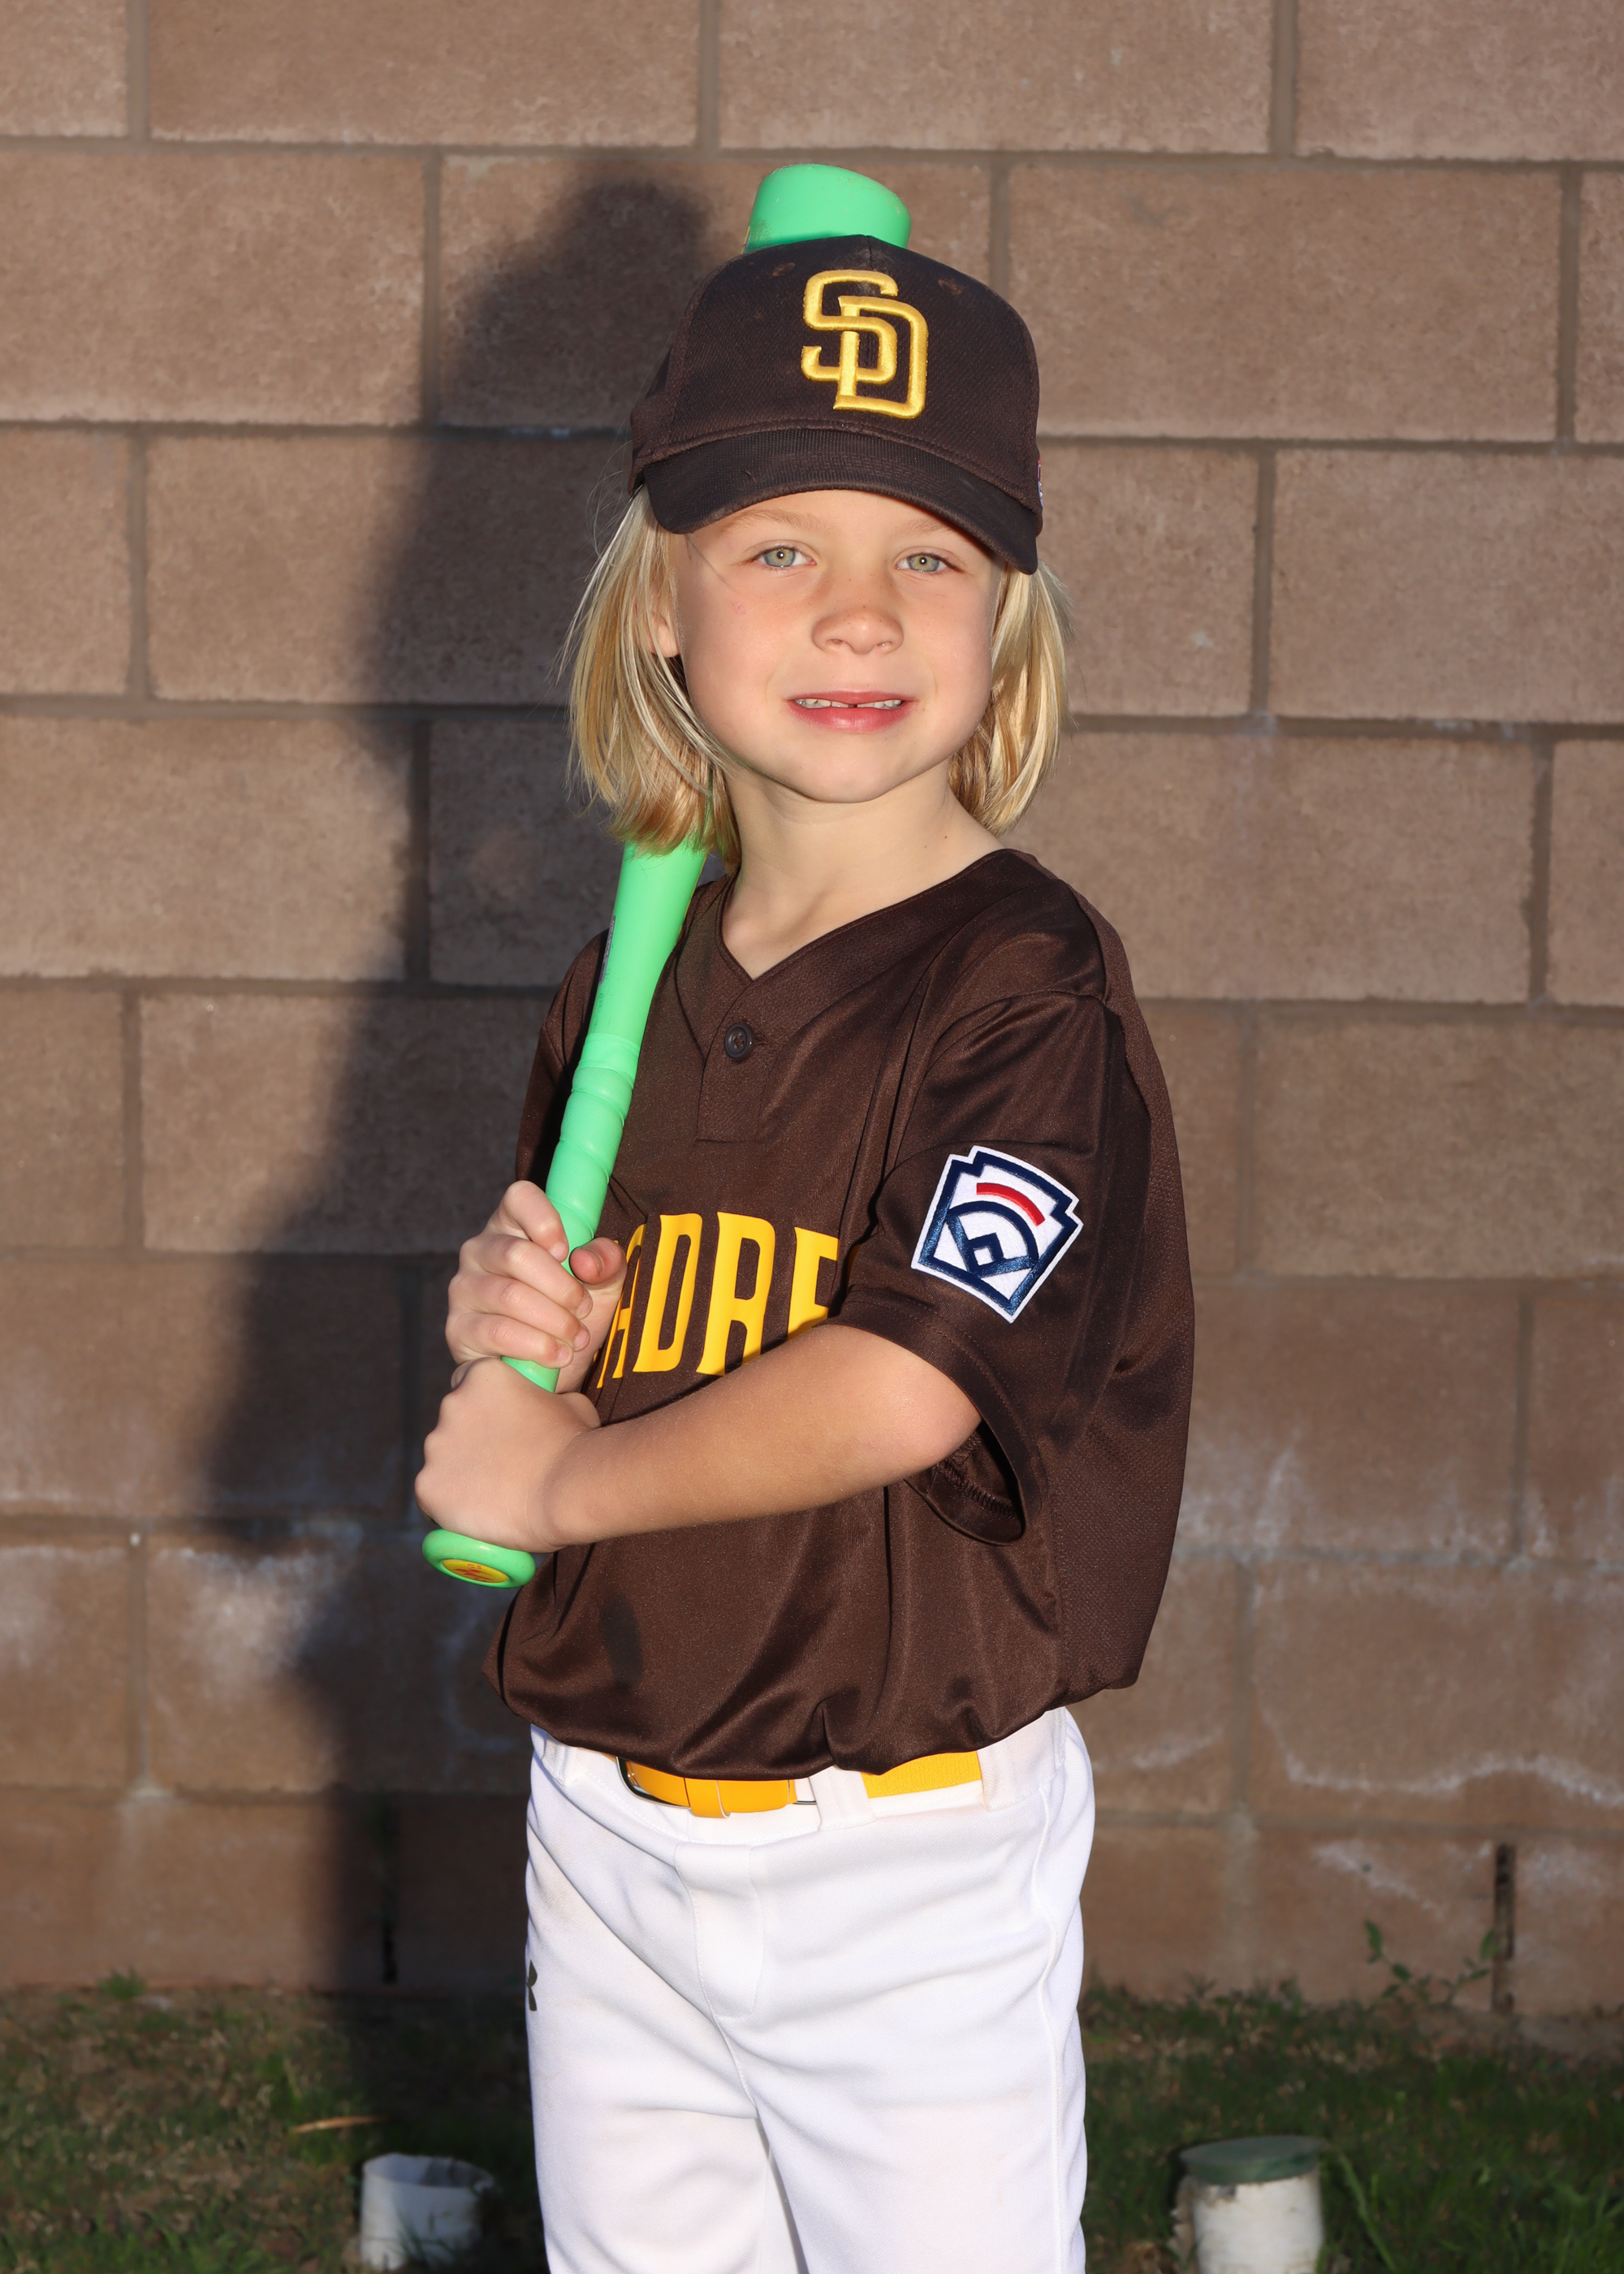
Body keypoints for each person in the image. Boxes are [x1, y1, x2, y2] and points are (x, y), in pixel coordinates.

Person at [415, 171, 1194, 2274]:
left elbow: (898, 1388)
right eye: (780, 546)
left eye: (930, 554)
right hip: (612, 1812)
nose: (860, 615)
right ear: (659, 608)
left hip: (902, 1864)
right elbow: (611, 1328)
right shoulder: (626, 981)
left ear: (1005, 622)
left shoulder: (1026, 989)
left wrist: (560, 1482)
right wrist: (532, 1325)